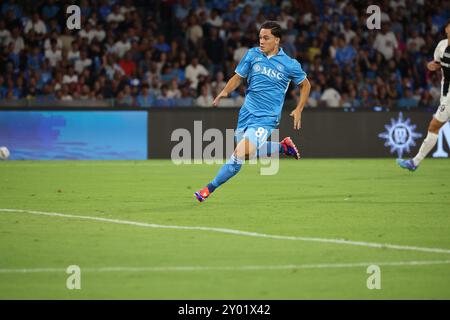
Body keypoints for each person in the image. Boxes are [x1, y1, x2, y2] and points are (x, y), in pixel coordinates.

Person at [194, 21, 311, 202]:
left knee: (239, 154)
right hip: (246, 113)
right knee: (246, 154)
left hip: (266, 118)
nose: (261, 41)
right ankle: (282, 147)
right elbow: (238, 77)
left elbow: (305, 85)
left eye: (266, 38)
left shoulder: (289, 64)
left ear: (277, 40)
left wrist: (299, 108)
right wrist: (225, 91)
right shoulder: (253, 54)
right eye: (260, 38)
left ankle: (207, 189)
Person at [398, 20, 450, 171]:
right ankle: (414, 162)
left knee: (434, 126)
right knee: (434, 127)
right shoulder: (441, 45)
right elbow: (437, 63)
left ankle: (414, 162)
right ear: (446, 29)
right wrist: (432, 65)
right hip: (445, 92)